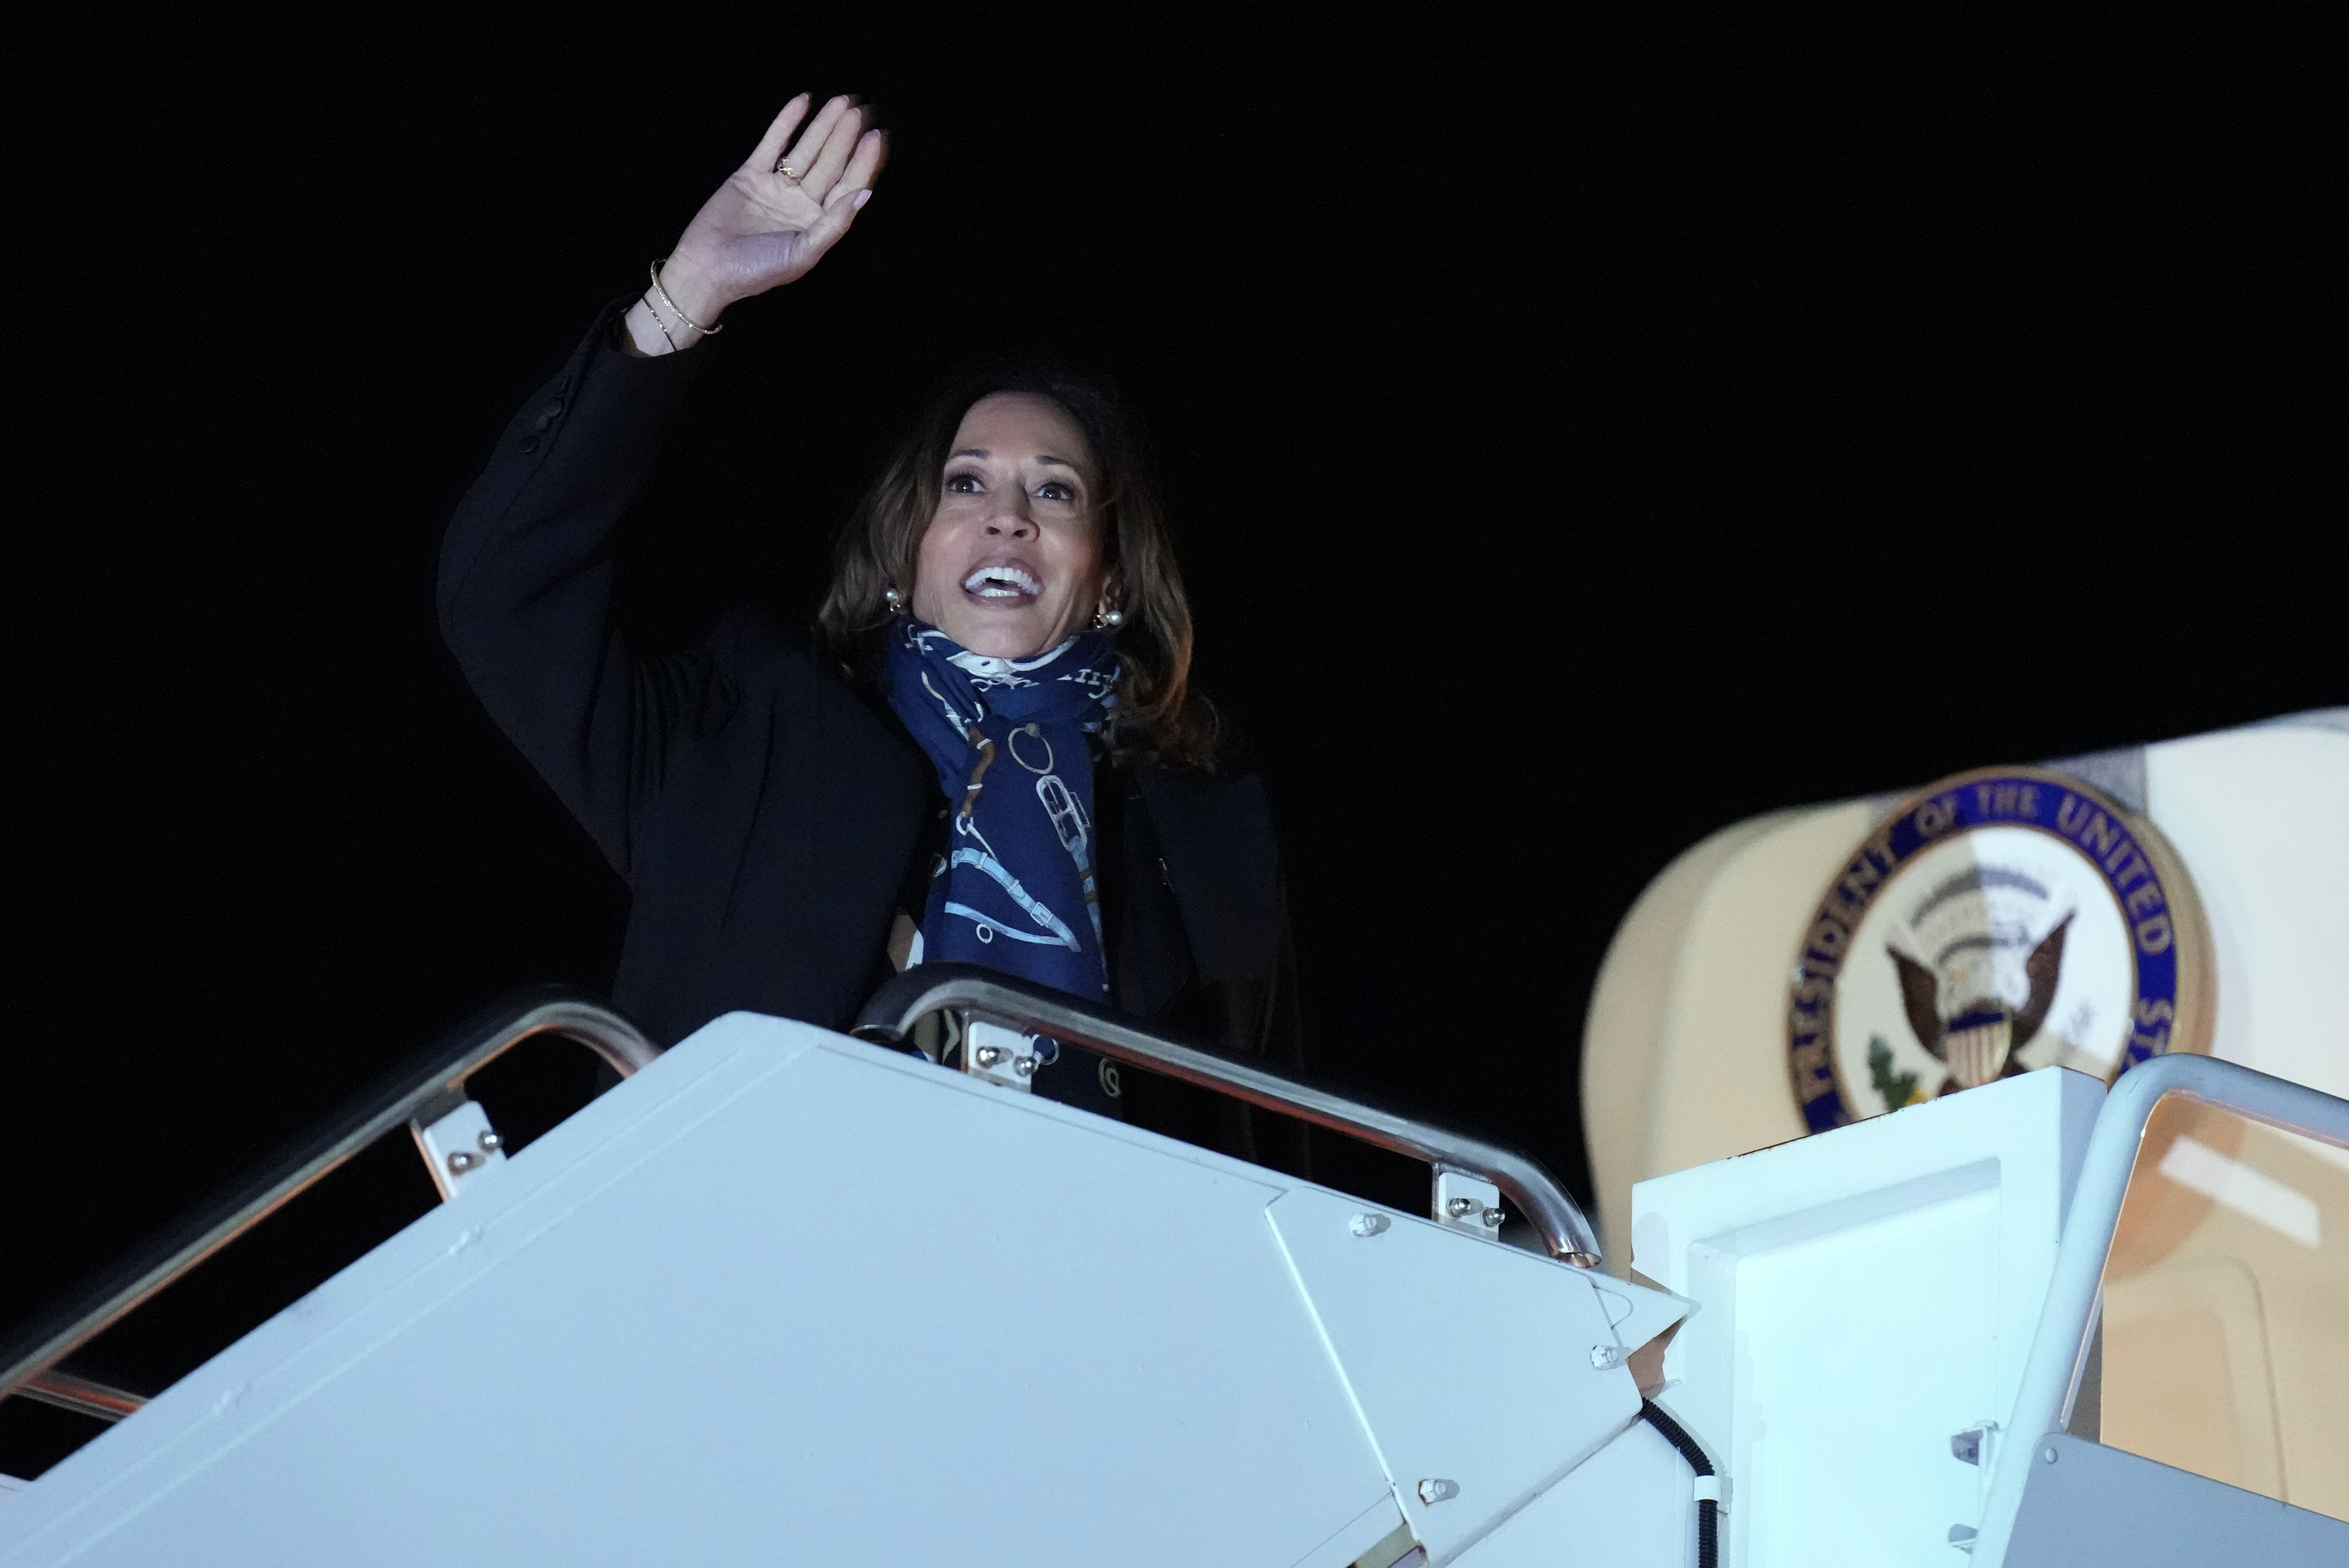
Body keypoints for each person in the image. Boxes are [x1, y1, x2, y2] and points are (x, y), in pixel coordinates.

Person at [440, 93, 1303, 1169]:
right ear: (911, 553)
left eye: (1058, 492)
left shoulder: (1194, 832)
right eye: (968, 481)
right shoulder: (746, 740)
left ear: (1111, 582)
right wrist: (686, 295)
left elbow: (1258, 1152)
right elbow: (502, 594)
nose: (1008, 513)